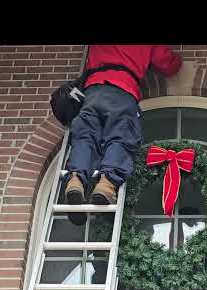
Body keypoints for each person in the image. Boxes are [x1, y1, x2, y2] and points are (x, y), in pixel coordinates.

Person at [64, 45, 183, 225]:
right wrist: (176, 61)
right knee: (121, 138)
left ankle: (75, 180)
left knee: (85, 137)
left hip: (93, 91)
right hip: (122, 90)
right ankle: (106, 184)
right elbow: (166, 64)